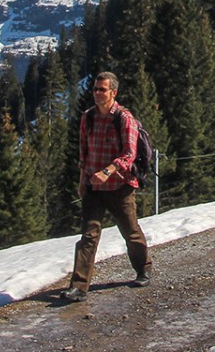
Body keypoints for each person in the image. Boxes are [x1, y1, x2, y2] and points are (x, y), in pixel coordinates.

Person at [60, 71, 152, 302]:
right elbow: (84, 151)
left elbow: (129, 154)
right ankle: (79, 286)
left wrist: (108, 171)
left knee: (130, 232)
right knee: (88, 236)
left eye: (102, 89)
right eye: (95, 89)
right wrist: (83, 179)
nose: (97, 93)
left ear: (114, 92)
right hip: (93, 186)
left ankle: (144, 267)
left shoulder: (123, 118)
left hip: (120, 186)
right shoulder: (87, 117)